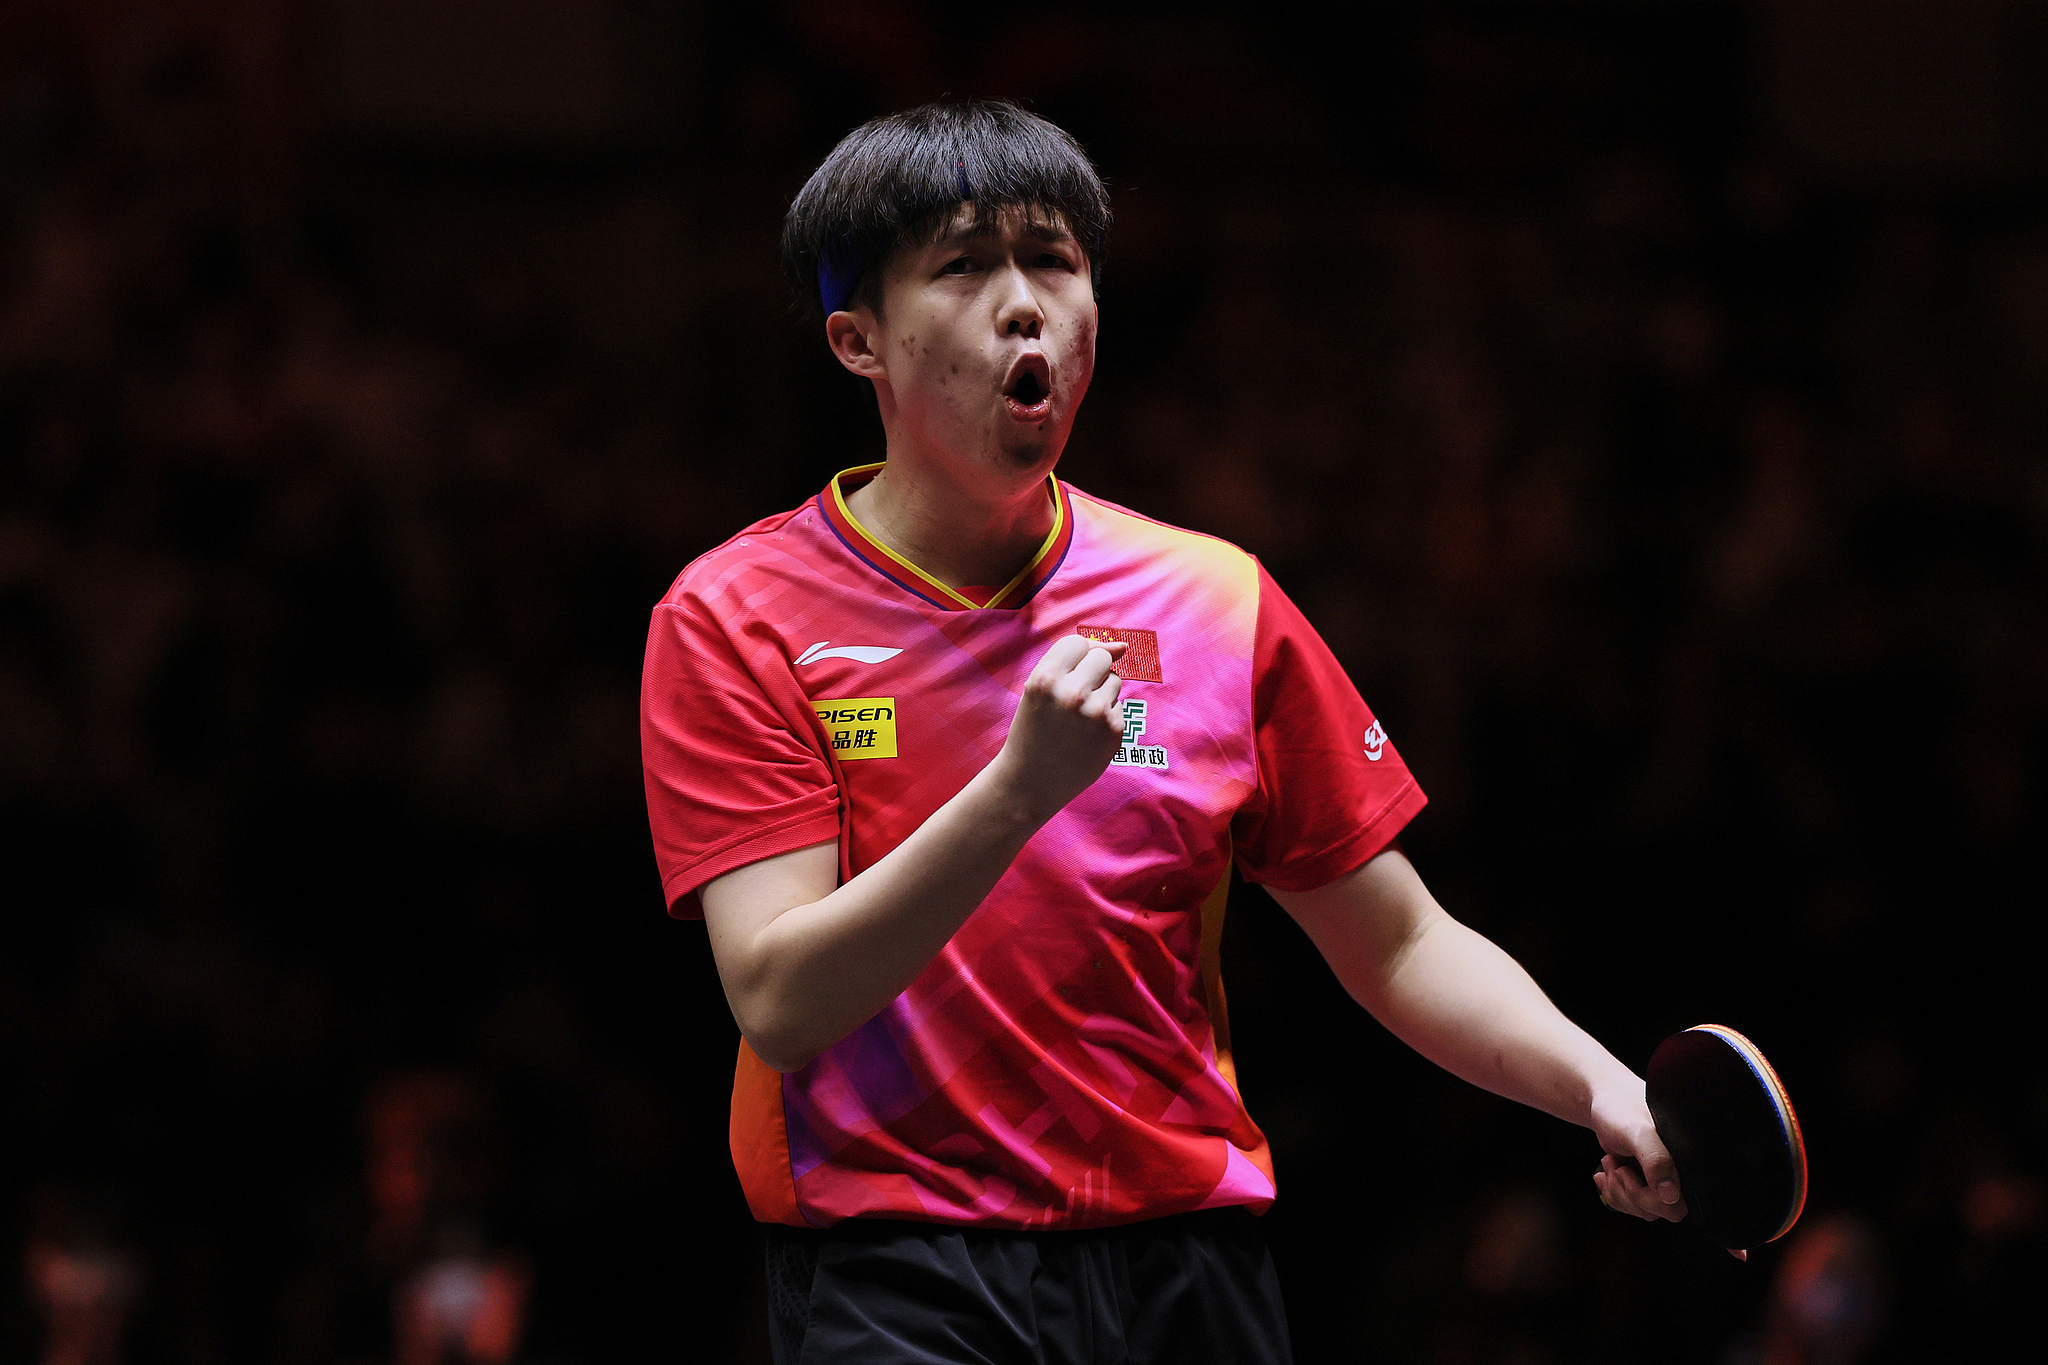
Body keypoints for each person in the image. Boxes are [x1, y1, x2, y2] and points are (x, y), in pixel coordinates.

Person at [640, 100, 1686, 1365]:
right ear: (857, 341)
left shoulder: (1212, 599)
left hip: (1184, 1263)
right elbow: (780, 996)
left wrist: (1601, 1089)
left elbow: (1398, 941)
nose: (1023, 303)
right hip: (893, 1264)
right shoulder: (737, 615)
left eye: (1055, 260)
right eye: (964, 266)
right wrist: (1018, 791)